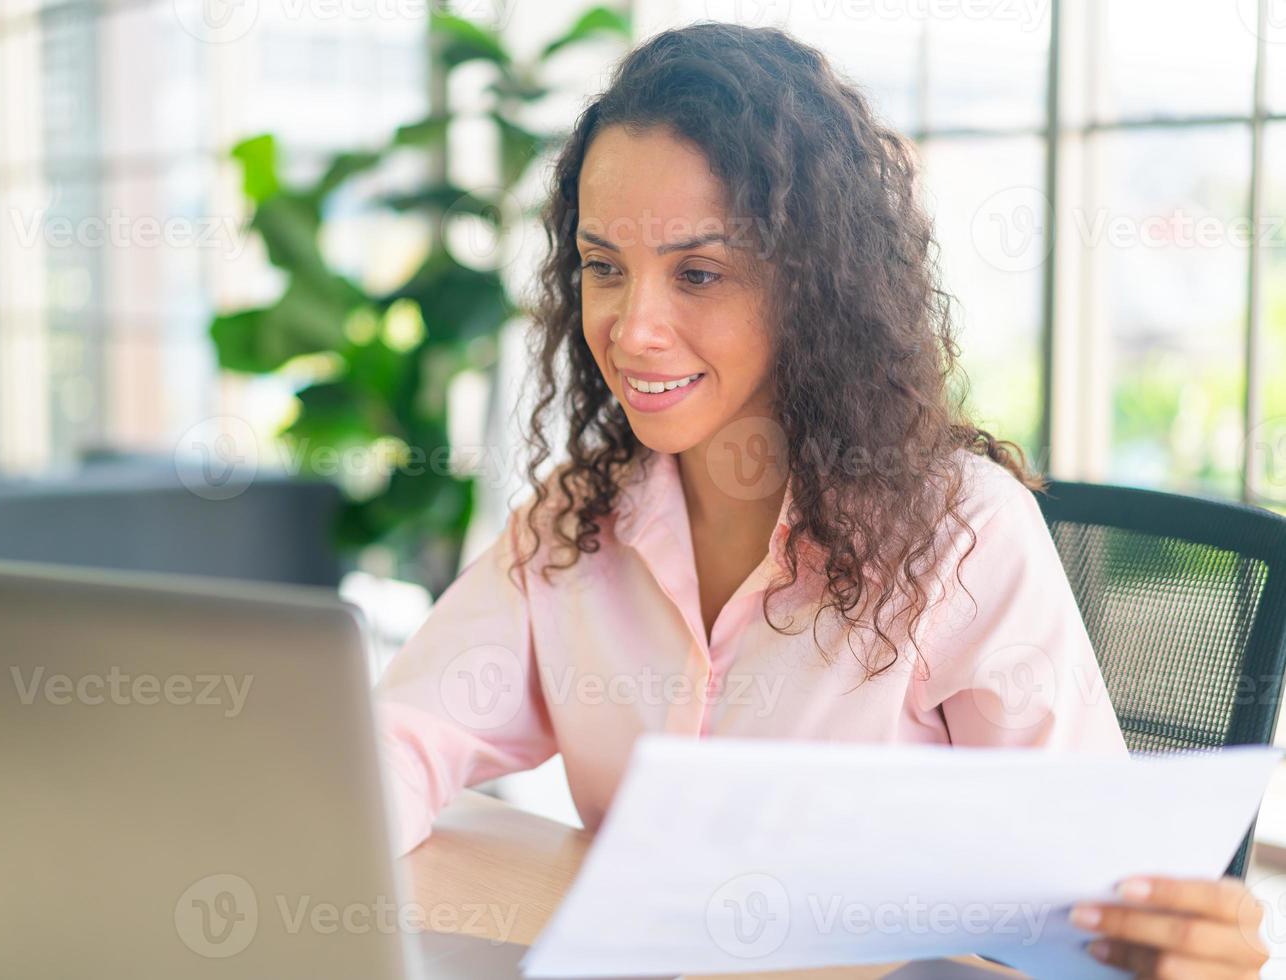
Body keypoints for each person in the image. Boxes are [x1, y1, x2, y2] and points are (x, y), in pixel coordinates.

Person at [371, 21, 1272, 979]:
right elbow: (391, 745)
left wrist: (1176, 944)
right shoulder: (574, 525)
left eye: (700, 273)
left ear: (814, 284)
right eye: (604, 267)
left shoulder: (961, 536)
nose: (631, 328)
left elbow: (1104, 906)